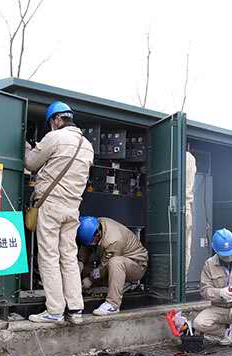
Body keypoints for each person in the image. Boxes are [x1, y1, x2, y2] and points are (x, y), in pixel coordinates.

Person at [25, 101, 94, 324]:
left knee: (49, 257)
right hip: (73, 208)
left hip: (51, 206)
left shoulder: (54, 138)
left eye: (50, 123)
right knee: (69, 257)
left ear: (56, 119)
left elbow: (31, 162)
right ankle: (75, 310)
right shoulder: (87, 145)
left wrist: (27, 145)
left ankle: (54, 311)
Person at [76, 216, 148, 316]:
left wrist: (91, 279)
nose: (92, 244)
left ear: (98, 233)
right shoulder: (95, 225)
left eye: (93, 240)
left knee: (115, 262)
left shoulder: (114, 240)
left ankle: (112, 305)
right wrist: (81, 262)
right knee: (87, 269)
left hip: (136, 265)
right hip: (114, 261)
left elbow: (104, 267)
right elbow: (86, 245)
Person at [185, 147, 197, 281]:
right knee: (185, 246)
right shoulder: (190, 158)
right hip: (186, 208)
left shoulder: (186, 158)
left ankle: (180, 282)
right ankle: (182, 279)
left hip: (183, 208)